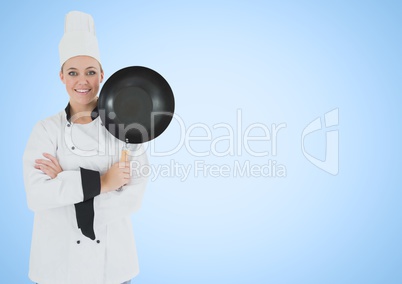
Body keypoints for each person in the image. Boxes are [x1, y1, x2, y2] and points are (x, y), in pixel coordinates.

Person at [23, 11, 148, 284]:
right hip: (56, 266)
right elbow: (37, 196)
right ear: (61, 77)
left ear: (101, 74)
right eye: (73, 73)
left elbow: (133, 196)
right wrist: (104, 182)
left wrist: (63, 182)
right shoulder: (45, 130)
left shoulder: (128, 127)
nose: (82, 81)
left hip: (113, 267)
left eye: (90, 72)